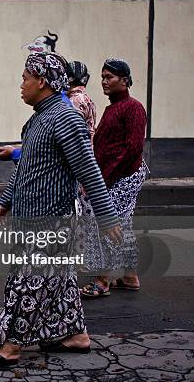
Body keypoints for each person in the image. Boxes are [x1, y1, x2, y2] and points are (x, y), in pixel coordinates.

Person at [0, 52, 121, 366]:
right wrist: (6, 198)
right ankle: (76, 336)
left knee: (28, 281)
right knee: (61, 281)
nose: (21, 84)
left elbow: (89, 170)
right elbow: (27, 165)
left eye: (25, 77)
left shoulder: (65, 119)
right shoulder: (39, 118)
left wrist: (106, 216)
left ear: (41, 81)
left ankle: (10, 346)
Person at [80, 59, 148, 298]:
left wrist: (106, 178)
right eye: (102, 77)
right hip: (110, 176)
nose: (104, 82)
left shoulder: (134, 108)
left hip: (125, 177)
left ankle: (103, 280)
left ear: (125, 80)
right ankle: (130, 277)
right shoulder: (111, 109)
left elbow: (133, 148)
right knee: (123, 226)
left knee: (110, 225)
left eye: (109, 77)